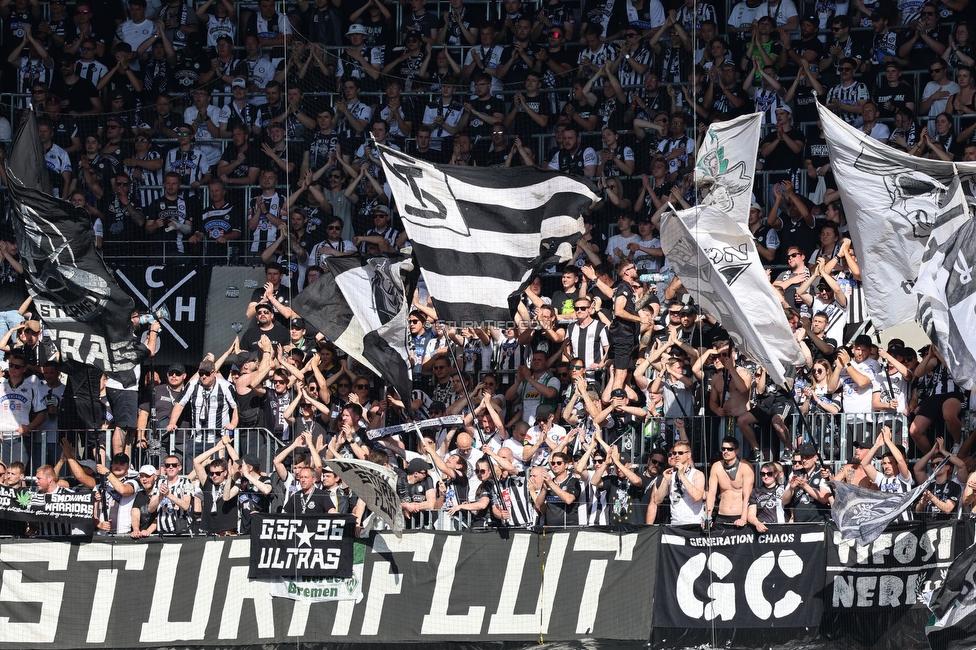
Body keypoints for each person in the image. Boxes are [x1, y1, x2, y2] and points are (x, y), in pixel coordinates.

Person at [704, 436, 754, 526]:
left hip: (739, 516)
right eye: (723, 449)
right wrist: (708, 517)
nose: (726, 451)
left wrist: (743, 518)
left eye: (729, 449)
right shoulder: (716, 466)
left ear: (736, 451)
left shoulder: (746, 467)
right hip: (721, 515)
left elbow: (747, 496)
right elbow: (711, 494)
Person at [192, 439, 238, 534]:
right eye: (211, 473)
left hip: (227, 530)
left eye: (217, 473)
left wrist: (227, 444)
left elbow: (236, 460)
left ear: (225, 472)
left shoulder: (231, 481)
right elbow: (196, 462)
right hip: (208, 529)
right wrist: (217, 448)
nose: (214, 476)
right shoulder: (208, 482)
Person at [652, 441, 704, 525]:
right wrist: (666, 480)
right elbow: (657, 500)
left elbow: (697, 496)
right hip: (675, 524)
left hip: (694, 523)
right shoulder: (671, 474)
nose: (676, 455)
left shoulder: (697, 474)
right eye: (674, 453)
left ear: (688, 455)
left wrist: (682, 476)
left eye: (680, 453)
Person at [783, 442, 830, 522]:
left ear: (815, 457)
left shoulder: (822, 472)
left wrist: (805, 486)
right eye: (802, 457)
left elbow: (824, 499)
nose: (804, 460)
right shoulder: (795, 473)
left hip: (818, 522)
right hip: (799, 523)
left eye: (807, 457)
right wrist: (791, 488)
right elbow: (784, 501)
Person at [747, 462, 786, 531]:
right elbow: (750, 515)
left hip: (780, 528)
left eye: (769, 474)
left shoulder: (784, 489)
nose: (766, 476)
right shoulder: (756, 491)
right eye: (763, 474)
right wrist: (757, 523)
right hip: (763, 528)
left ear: (776, 474)